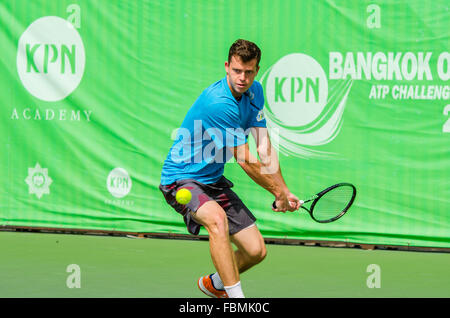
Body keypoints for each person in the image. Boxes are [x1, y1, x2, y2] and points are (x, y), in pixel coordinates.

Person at [159, 39, 301, 298]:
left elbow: (264, 148)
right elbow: (246, 161)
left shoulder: (255, 92)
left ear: (257, 70)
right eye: (237, 71)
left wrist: (284, 190)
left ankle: (214, 284)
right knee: (216, 219)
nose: (242, 78)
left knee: (256, 251)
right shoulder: (219, 103)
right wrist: (277, 194)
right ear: (227, 66)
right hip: (181, 179)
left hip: (212, 180)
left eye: (249, 72)